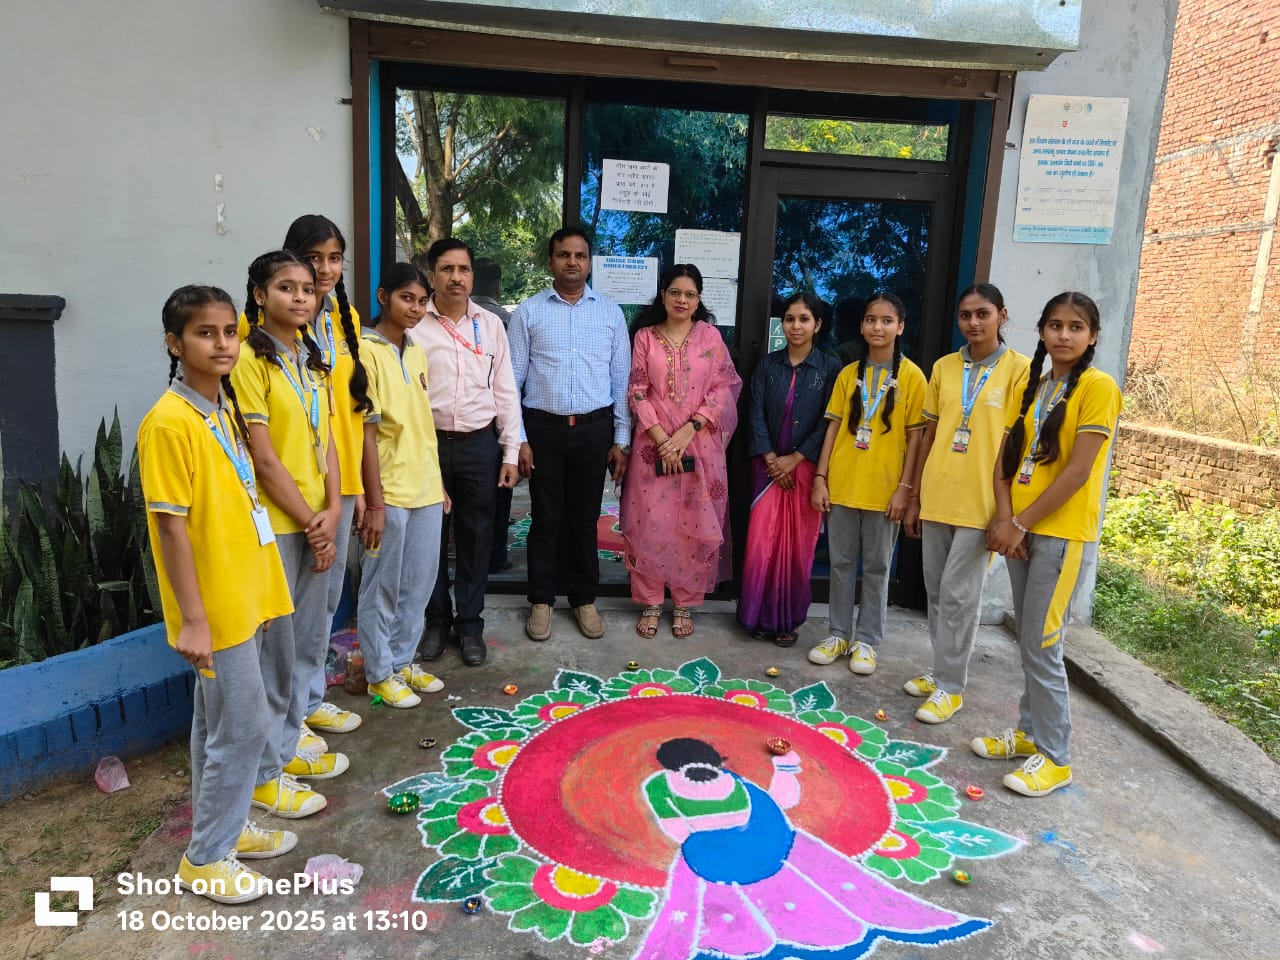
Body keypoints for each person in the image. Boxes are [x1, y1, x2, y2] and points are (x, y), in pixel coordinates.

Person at [140, 285, 294, 903]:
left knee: (217, 726)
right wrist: (194, 620)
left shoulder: (221, 409)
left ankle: (224, 829)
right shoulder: (168, 423)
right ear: (175, 344)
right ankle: (205, 858)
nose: (223, 343)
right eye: (205, 333)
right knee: (245, 725)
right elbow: (170, 529)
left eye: (230, 331)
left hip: (244, 593)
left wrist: (258, 592)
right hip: (214, 610)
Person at [634, 738, 988, 959]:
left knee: (701, 858)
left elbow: (678, 830)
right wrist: (784, 768)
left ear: (668, 765)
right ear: (718, 759)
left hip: (712, 862)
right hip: (772, 849)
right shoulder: (735, 781)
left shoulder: (660, 786)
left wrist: (711, 836)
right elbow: (782, 802)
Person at [979, 291, 1121, 797]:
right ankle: (1029, 734)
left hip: (1059, 534)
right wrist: (1006, 519)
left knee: (1042, 644)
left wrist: (1019, 523)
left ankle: (1056, 757)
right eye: (1055, 325)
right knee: (1029, 639)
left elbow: (1078, 472)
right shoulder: (1038, 386)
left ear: (1093, 336)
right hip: (1020, 527)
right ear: (1041, 331)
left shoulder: (1098, 387)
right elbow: (1005, 461)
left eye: (1076, 327)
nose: (1064, 335)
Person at [231, 250, 344, 820]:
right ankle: (266, 775)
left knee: (306, 642)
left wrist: (334, 507)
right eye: (286, 287)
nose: (301, 297)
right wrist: (310, 521)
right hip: (280, 525)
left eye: (307, 288)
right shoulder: (249, 360)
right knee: (276, 654)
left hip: (319, 516)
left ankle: (287, 744)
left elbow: (328, 441)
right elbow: (263, 456)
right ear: (259, 295)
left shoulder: (310, 358)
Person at [901, 284, 1031, 724]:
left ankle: (951, 688)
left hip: (983, 502)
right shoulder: (944, 367)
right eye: (965, 315)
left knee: (961, 595)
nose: (973, 323)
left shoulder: (1020, 371)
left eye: (983, 314)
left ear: (1002, 316)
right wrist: (915, 494)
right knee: (937, 592)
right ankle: (942, 671)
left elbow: (1017, 445)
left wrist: (1006, 511)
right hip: (938, 494)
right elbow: (928, 435)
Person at [509, 227, 632, 642]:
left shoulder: (610, 313)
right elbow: (512, 381)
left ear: (590, 262)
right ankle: (542, 600)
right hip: (543, 429)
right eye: (564, 255)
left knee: (584, 518)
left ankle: (583, 599)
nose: (572, 262)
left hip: (594, 430)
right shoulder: (528, 313)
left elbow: (621, 381)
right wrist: (519, 439)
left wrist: (621, 440)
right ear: (551, 261)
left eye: (580, 255)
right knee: (545, 518)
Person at [406, 238, 521, 666]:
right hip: (428, 445)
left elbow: (505, 390)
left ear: (472, 276)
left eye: (464, 269)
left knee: (476, 537)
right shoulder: (414, 326)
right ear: (432, 275)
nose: (457, 277)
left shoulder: (490, 325)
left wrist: (510, 452)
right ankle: (436, 622)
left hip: (479, 445)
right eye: (447, 269)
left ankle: (470, 624)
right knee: (429, 539)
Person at [281, 214, 370, 741]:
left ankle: (309, 701)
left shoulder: (344, 318)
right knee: (293, 609)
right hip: (295, 488)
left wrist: (357, 491)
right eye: (313, 258)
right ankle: (287, 720)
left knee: (324, 604)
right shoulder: (265, 325)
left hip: (341, 480)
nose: (324, 269)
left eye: (334, 258)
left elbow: (352, 411)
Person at [621, 263, 741, 640]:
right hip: (652, 448)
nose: (682, 300)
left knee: (693, 522)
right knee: (650, 522)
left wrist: (689, 430)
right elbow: (637, 390)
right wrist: (663, 440)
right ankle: (651, 601)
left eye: (690, 294)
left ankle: (685, 603)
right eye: (675, 292)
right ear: (663, 295)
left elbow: (724, 388)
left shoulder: (710, 337)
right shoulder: (645, 337)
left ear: (699, 300)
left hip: (699, 445)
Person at [809, 293, 926, 676]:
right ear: (861, 326)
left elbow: (916, 439)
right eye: (871, 320)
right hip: (843, 485)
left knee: (877, 568)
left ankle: (867, 641)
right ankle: (839, 634)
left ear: (900, 327)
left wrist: (905, 489)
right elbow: (833, 429)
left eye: (887, 321)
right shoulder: (848, 374)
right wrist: (821, 478)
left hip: (885, 491)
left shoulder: (912, 376)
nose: (878, 327)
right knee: (841, 564)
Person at [355, 263, 449, 708]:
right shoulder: (363, 352)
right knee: (382, 586)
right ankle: (379, 673)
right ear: (383, 297)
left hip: (425, 485)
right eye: (406, 298)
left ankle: (403, 659)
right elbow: (366, 433)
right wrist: (374, 502)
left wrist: (439, 483)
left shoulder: (416, 352)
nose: (415, 308)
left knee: (419, 583)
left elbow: (423, 425)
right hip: (388, 491)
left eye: (422, 301)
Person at [738, 291, 841, 647]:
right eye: (790, 319)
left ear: (818, 325)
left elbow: (830, 421)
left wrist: (795, 460)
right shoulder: (768, 365)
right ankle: (756, 616)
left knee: (798, 546)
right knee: (761, 542)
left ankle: (787, 619)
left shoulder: (830, 369)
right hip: (766, 470)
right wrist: (771, 459)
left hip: (807, 469)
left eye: (804, 319)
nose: (796, 326)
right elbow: (754, 413)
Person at [473, 257, 516, 575]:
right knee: (499, 494)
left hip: (463, 429)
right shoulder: (505, 321)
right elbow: (511, 382)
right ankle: (495, 555)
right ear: (498, 287)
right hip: (496, 424)